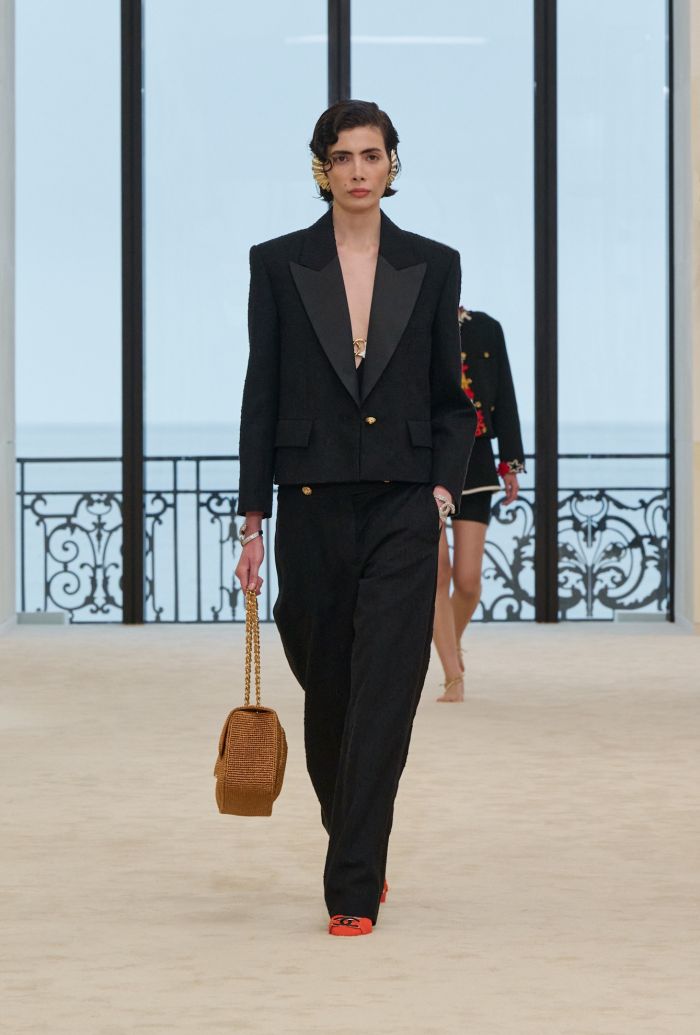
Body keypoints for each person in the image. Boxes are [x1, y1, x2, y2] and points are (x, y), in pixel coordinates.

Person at [234, 100, 476, 936]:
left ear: (392, 164)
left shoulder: (433, 264)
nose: (359, 170)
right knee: (329, 688)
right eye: (342, 157)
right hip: (310, 502)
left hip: (405, 503)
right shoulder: (278, 264)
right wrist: (251, 519)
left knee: (385, 690)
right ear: (323, 169)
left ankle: (353, 884)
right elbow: (261, 394)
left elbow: (451, 400)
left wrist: (441, 492)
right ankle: (355, 833)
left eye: (372, 155)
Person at [432, 307, 525, 702]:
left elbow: (505, 396)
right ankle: (453, 674)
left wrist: (511, 464)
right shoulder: (414, 323)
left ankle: (449, 644)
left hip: (477, 459)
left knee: (468, 580)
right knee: (437, 572)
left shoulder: (486, 329)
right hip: (427, 460)